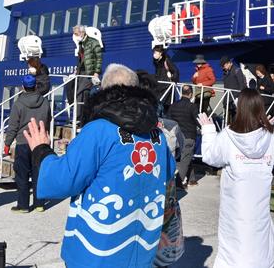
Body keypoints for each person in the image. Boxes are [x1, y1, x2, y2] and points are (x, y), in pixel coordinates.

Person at [23, 65, 176, 268]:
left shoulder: (98, 130)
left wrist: (42, 150)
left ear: (104, 92)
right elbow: (168, 172)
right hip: (142, 250)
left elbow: (62, 180)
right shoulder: (158, 136)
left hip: (97, 252)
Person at [200, 88, 274, 268]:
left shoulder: (228, 136)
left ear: (240, 108)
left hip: (235, 210)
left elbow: (210, 157)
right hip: (259, 208)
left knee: (234, 252)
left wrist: (208, 130)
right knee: (259, 249)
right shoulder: (270, 137)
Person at [4, 74, 51, 213]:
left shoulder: (18, 104)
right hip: (40, 143)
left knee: (22, 175)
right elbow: (48, 119)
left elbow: (13, 126)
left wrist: (7, 143)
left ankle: (23, 205)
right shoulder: (45, 101)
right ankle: (39, 204)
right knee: (39, 173)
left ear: (23, 87)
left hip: (23, 142)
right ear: (36, 86)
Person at [67, 25, 102, 122]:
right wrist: (76, 71)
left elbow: (99, 58)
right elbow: (80, 60)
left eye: (76, 34)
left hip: (89, 72)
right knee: (76, 90)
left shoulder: (93, 42)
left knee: (79, 92)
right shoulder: (81, 43)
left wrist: (96, 73)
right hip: (81, 72)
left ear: (82, 33)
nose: (75, 36)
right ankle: (83, 117)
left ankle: (77, 118)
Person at [167, 84, 199, 188]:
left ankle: (192, 179)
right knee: (185, 159)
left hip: (176, 136)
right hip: (188, 135)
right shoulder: (192, 106)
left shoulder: (173, 105)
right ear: (190, 94)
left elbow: (168, 119)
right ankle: (178, 183)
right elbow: (197, 120)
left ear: (182, 93)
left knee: (186, 157)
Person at [153, 45, 179, 112]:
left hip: (166, 88)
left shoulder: (166, 61)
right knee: (161, 105)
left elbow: (175, 70)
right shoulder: (157, 62)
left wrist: (172, 77)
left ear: (160, 53)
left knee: (165, 106)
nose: (154, 54)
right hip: (160, 87)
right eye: (154, 53)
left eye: (155, 52)